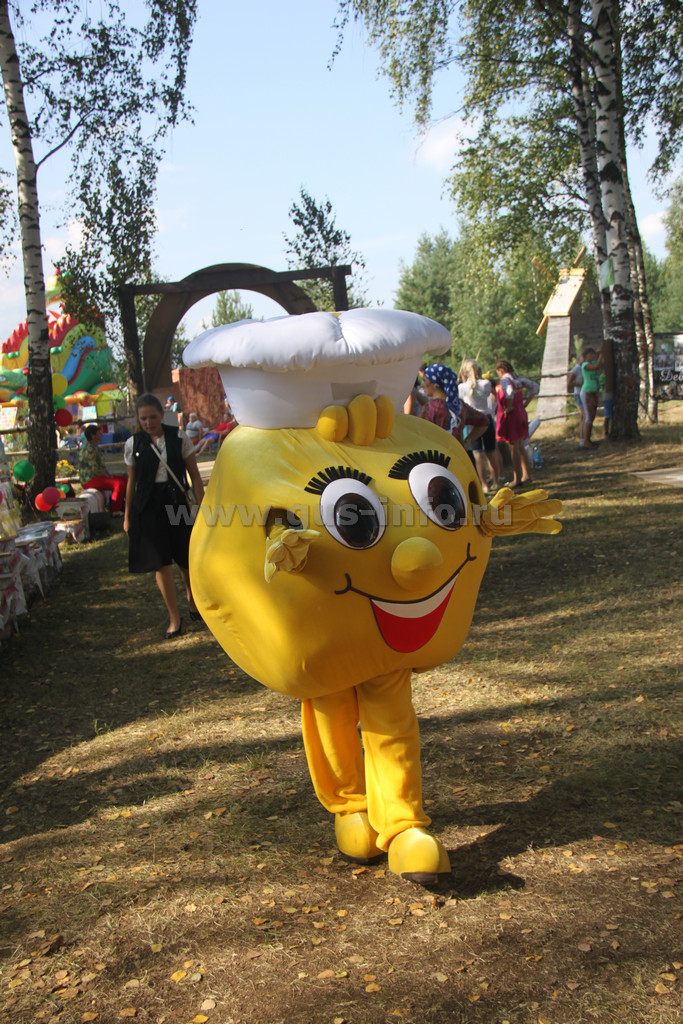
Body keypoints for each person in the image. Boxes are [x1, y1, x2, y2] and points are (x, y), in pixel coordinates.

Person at [123, 393, 205, 639]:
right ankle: (174, 618)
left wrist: (202, 508)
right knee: (160, 562)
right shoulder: (133, 444)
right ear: (138, 419)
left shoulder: (178, 437)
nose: (148, 422)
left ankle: (192, 599)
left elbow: (194, 475)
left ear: (162, 415)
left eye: (153, 417)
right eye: (143, 419)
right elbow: (131, 482)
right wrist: (127, 516)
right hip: (148, 506)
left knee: (185, 557)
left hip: (175, 501)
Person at [420, 364, 489, 464]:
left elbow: (421, 435)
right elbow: (484, 421)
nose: (422, 385)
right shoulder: (459, 406)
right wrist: (466, 442)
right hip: (458, 459)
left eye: (424, 381)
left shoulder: (431, 408)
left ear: (435, 384)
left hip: (438, 461)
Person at [458, 359, 504, 494]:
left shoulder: (462, 387)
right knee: (491, 452)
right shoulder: (486, 384)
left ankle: (484, 485)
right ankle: (496, 481)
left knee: (478, 455)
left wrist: (463, 380)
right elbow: (491, 396)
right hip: (486, 418)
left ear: (464, 372)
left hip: (472, 422)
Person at [494, 359, 538, 489]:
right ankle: (526, 474)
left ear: (501, 370)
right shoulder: (518, 380)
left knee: (514, 447)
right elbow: (534, 386)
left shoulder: (505, 380)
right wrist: (526, 402)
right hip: (521, 412)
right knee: (520, 445)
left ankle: (517, 479)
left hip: (512, 415)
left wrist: (509, 406)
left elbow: (508, 391)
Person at [78, 422, 128, 513]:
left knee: (124, 479)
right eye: (99, 433)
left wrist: (108, 475)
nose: (101, 434)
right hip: (89, 479)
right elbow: (95, 469)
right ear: (92, 435)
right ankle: (115, 510)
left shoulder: (94, 447)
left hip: (96, 476)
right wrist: (108, 477)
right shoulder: (89, 449)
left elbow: (101, 466)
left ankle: (124, 505)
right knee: (118, 484)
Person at [579, 346, 604, 450]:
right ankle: (585, 441)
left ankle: (587, 439)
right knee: (588, 417)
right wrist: (601, 354)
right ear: (585, 356)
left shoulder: (592, 363)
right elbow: (596, 367)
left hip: (593, 392)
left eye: (594, 353)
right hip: (587, 392)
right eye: (591, 354)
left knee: (591, 416)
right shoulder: (585, 365)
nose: (593, 355)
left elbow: (600, 364)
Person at [567, 356, 585, 440]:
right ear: (578, 360)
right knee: (584, 415)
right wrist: (580, 383)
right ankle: (582, 437)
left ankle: (584, 436)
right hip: (579, 394)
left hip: (584, 393)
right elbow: (569, 383)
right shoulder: (576, 369)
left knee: (584, 415)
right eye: (583, 358)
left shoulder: (584, 367)